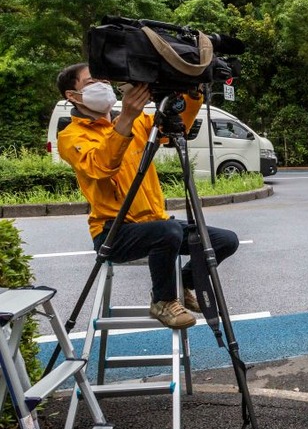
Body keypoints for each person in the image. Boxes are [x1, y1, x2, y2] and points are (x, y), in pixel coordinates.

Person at [56, 63, 239, 329]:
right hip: (113, 232)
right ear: (72, 95)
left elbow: (178, 128)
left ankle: (185, 283)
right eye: (92, 82)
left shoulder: (136, 122)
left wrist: (193, 92)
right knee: (168, 232)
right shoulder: (71, 136)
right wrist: (128, 117)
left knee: (224, 240)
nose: (103, 86)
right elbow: (101, 167)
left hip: (156, 223)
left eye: (106, 81)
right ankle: (163, 301)